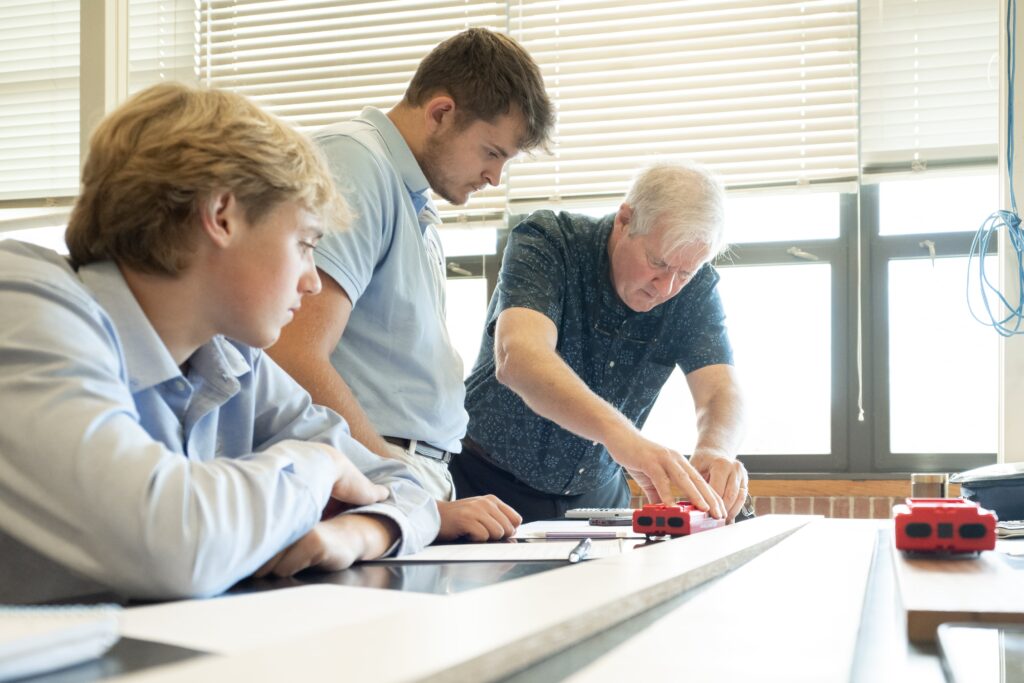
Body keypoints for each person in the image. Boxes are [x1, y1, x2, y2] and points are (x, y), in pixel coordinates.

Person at [0, 82, 439, 603]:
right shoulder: (23, 300)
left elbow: (406, 486)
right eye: (303, 244)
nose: (313, 280)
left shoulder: (231, 358)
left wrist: (362, 532)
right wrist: (318, 467)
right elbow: (168, 543)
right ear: (222, 215)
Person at [267, 28, 555, 541]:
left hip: (399, 470)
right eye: (492, 152)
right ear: (441, 112)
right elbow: (294, 353)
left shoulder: (409, 192)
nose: (495, 177)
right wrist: (401, 491)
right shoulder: (356, 164)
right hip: (371, 473)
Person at [453, 161, 749, 524]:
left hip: (598, 494)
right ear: (624, 220)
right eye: (657, 262)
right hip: (482, 482)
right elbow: (519, 357)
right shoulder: (550, 241)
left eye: (684, 273)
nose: (666, 287)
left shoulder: (696, 290)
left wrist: (715, 449)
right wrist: (621, 436)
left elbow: (721, 391)